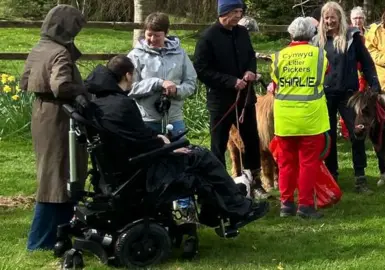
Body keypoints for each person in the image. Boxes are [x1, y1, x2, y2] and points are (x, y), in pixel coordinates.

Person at [84, 55, 269, 228]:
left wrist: (160, 139)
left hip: (122, 167)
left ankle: (219, 207)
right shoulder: (121, 105)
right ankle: (239, 207)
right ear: (127, 75)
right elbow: (139, 142)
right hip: (142, 172)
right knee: (201, 157)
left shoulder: (98, 101)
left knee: (198, 165)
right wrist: (168, 149)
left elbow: (135, 137)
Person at [19, 5, 89, 251]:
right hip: (60, 117)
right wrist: (85, 91)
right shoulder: (59, 52)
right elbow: (61, 86)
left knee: (56, 173)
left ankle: (63, 232)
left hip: (41, 114)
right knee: (59, 176)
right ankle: (40, 240)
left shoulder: (39, 48)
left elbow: (25, 81)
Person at [193, 0, 269, 199]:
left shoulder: (242, 33)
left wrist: (250, 71)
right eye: (235, 11)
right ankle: (218, 184)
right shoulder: (207, 38)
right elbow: (201, 70)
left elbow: (251, 56)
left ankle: (255, 181)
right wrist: (230, 81)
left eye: (240, 11)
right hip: (221, 100)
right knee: (219, 143)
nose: (238, 15)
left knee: (252, 139)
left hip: (245, 100)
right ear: (223, 11)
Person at [127, 12, 197, 223]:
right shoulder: (136, 56)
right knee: (148, 165)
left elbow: (191, 84)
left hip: (173, 118)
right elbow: (129, 88)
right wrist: (157, 83)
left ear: (166, 34)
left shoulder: (180, 55)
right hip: (147, 119)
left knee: (180, 161)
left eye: (156, 35)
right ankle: (149, 210)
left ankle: (185, 211)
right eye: (148, 35)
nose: (151, 39)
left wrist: (176, 90)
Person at [268, 17, 336, 218]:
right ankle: (305, 206)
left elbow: (275, 81)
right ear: (312, 35)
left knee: (285, 163)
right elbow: (326, 73)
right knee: (308, 163)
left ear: (290, 34)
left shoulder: (278, 56)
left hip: (285, 118)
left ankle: (286, 204)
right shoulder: (319, 55)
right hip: (310, 118)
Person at [316, 1, 380, 194]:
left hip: (349, 94)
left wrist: (374, 84)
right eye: (326, 18)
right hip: (324, 95)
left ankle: (360, 177)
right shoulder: (316, 39)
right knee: (329, 137)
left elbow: (367, 63)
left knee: (357, 132)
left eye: (332, 17)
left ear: (340, 17)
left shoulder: (352, 37)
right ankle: (332, 175)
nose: (329, 21)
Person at [338, 6, 369, 140]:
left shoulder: (369, 33)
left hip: (366, 72)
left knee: (364, 103)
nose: (358, 20)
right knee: (350, 102)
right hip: (352, 73)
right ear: (350, 19)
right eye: (355, 18)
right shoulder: (347, 34)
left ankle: (364, 128)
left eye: (360, 18)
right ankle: (346, 131)